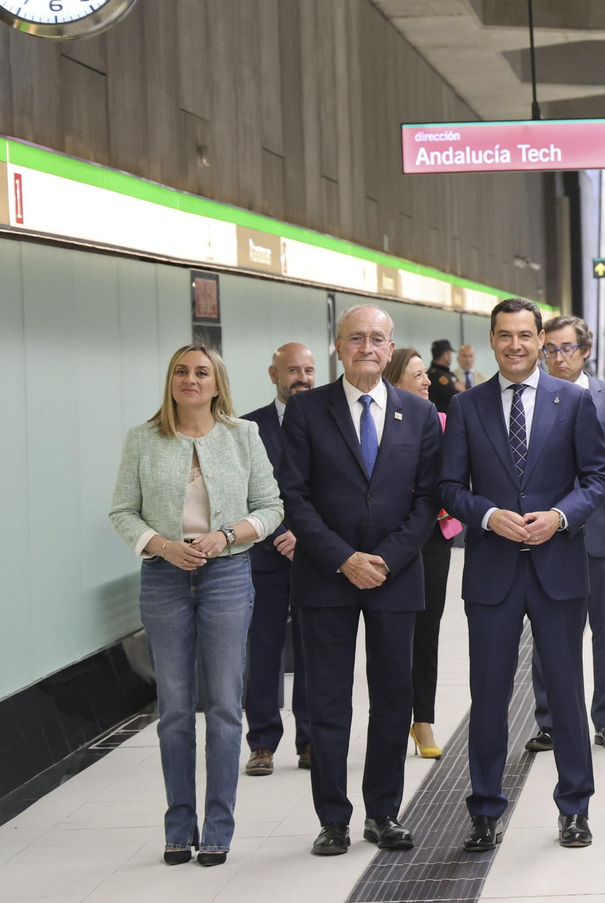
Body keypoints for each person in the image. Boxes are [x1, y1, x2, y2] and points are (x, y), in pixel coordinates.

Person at [440, 298, 605, 852]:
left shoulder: (574, 401)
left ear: (541, 340)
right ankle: (485, 809)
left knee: (565, 690)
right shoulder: (467, 406)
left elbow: (598, 478)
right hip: (492, 568)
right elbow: (448, 488)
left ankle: (575, 807)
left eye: (525, 335)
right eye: (504, 335)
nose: (515, 345)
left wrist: (559, 516)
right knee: (488, 695)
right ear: (491, 340)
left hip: (557, 565)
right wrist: (489, 516)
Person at [279, 306, 444, 857]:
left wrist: (386, 560)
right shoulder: (305, 411)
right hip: (326, 577)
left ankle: (383, 813)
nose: (366, 346)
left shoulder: (418, 414)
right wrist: (344, 557)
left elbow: (426, 501)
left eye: (377, 338)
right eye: (356, 338)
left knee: (394, 697)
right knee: (329, 702)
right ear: (338, 346)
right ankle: (332, 819)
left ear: (390, 345)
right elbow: (294, 498)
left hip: (395, 579)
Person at [109, 344, 283, 868]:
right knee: (176, 709)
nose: (190, 379)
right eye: (181, 371)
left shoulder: (242, 436)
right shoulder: (143, 439)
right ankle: (178, 824)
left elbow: (271, 507)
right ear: (171, 381)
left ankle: (218, 828)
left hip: (227, 574)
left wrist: (226, 535)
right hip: (163, 578)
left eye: (201, 372)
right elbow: (122, 511)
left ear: (216, 383)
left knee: (226, 707)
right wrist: (162, 545)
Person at [526, 315, 605, 753]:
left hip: (601, 529)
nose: (557, 357)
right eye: (549, 349)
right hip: (548, 531)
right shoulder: (533, 398)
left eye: (567, 348)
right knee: (549, 628)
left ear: (585, 351)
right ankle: (550, 719)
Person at [240, 343, 317, 777]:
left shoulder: (328, 421)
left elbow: (330, 490)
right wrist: (279, 531)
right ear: (274, 374)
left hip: (314, 558)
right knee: (264, 651)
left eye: (308, 370)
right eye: (293, 370)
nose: (302, 378)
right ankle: (263, 743)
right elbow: (240, 493)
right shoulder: (247, 428)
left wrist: (304, 537)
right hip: (264, 557)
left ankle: (308, 742)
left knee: (312, 653)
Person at [384, 345, 459, 761]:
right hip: (388, 538)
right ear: (395, 381)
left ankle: (423, 718)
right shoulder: (378, 423)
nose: (427, 382)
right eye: (417, 376)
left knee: (427, 628)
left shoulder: (442, 421)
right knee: (393, 633)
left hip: (432, 537)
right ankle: (392, 719)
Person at [428, 339, 460, 409]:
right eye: (450, 354)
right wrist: (462, 389)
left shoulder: (448, 373)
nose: (451, 357)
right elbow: (455, 395)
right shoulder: (436, 375)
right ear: (446, 355)